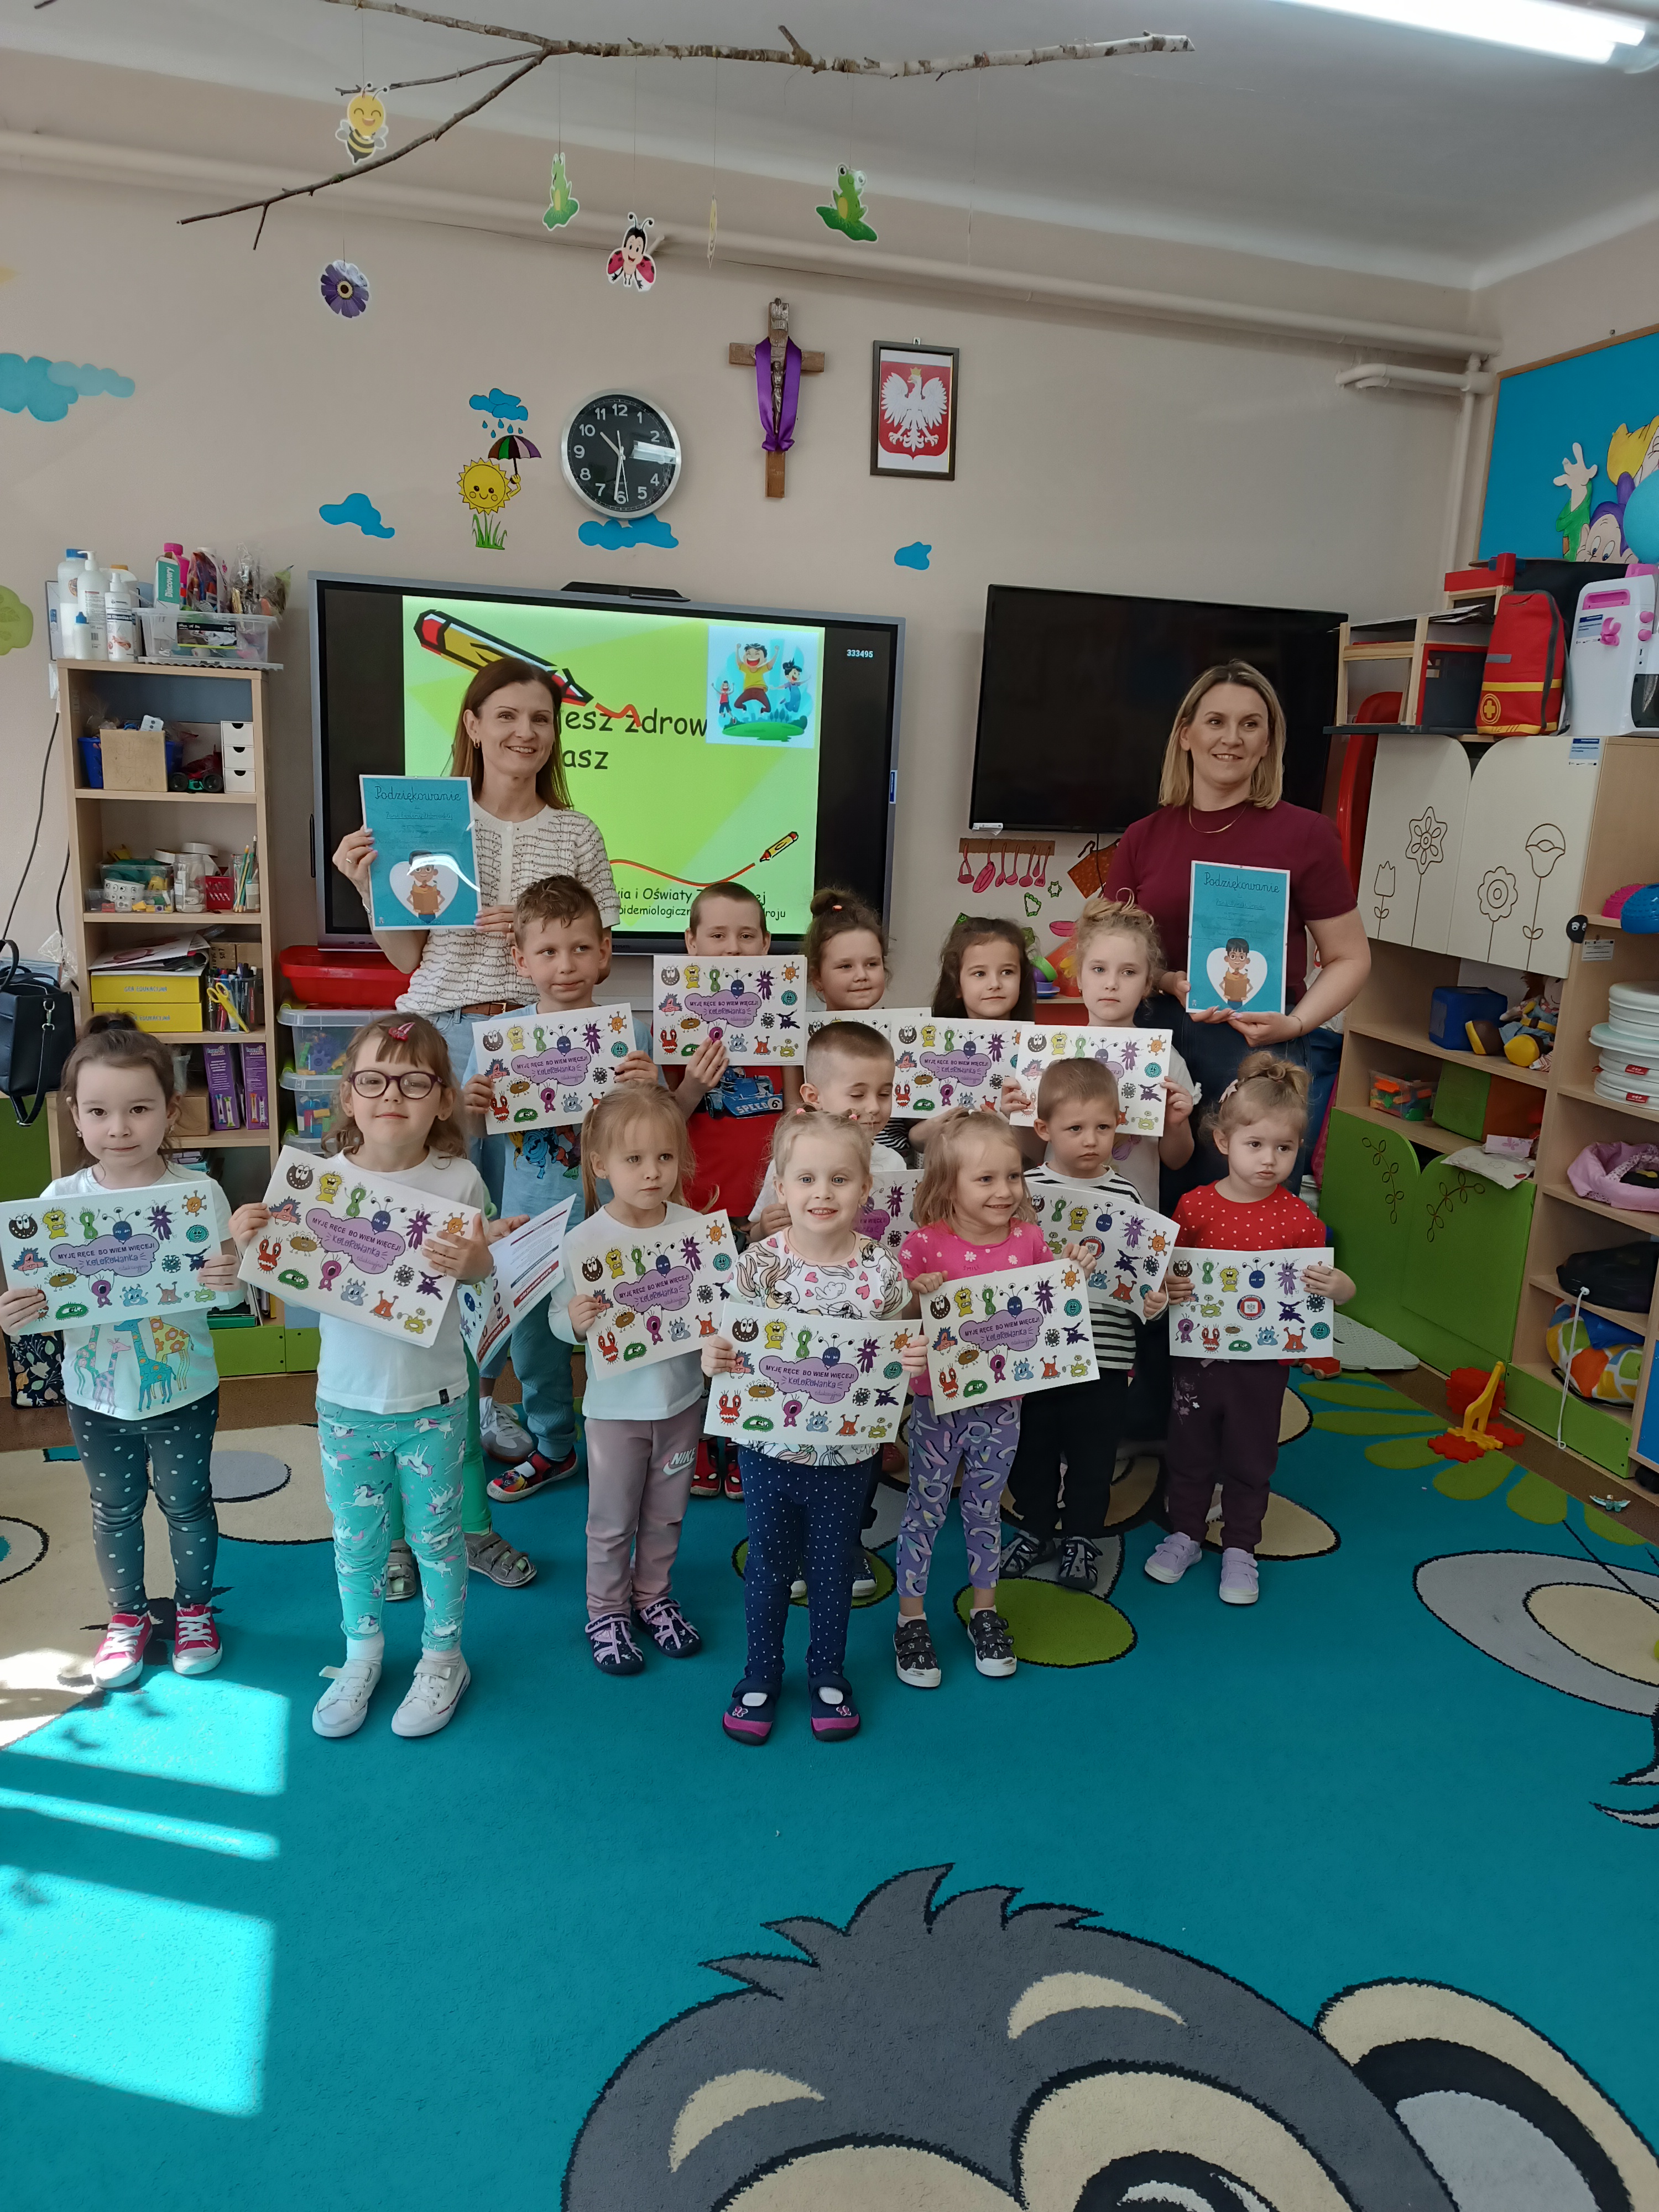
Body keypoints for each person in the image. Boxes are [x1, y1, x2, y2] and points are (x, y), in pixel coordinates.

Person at [331, 655, 620, 1464]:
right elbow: (406, 957)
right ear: (472, 725)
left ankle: (543, 1421)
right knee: (446, 1219)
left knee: (528, 1234)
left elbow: (596, 956)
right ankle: (458, 1409)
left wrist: (538, 938)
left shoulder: (576, 833)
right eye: (507, 716)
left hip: (542, 1048)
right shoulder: (428, 821)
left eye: (541, 719)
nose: (526, 732)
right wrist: (370, 888)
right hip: (444, 1037)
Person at [231, 1016, 511, 1739]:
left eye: (414, 1081)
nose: (393, 1094)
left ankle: (444, 1658)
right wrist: (251, 1242)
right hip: (346, 1403)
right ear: (348, 1097)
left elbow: (482, 1275)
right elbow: (278, 1278)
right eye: (374, 1080)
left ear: (442, 1100)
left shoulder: (459, 1178)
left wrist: (476, 1261)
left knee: (438, 1539)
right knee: (357, 1543)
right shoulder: (318, 1182)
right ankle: (362, 1655)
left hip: (435, 1402)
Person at [0, 1015, 245, 1687]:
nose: (119, 1128)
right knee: (113, 1509)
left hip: (184, 1388)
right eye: (99, 1111)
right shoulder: (58, 1203)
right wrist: (16, 1318)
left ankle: (194, 1610)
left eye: (138, 1109)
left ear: (171, 1110)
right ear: (75, 1116)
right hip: (96, 1394)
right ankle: (127, 1618)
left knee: (188, 1504)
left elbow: (226, 1298)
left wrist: (229, 1279)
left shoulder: (197, 1195)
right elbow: (38, 1308)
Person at [1104, 661, 1368, 1187]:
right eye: (1216, 722)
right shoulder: (1143, 836)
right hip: (1151, 1037)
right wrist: (1167, 981)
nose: (1232, 738)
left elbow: (1351, 958)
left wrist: (1296, 1024)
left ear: (1268, 743)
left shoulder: (1307, 835)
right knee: (1139, 1196)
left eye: (1250, 724)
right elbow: (1109, 951)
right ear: (1186, 735)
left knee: (1245, 1207)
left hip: (1255, 1047)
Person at [702, 1110, 912, 1744]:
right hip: (768, 1450)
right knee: (768, 1565)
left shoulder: (883, 1271)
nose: (823, 1193)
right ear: (781, 1186)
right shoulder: (757, 1264)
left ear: (865, 1188)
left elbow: (897, 1351)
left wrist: (913, 1357)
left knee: (831, 1567)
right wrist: (713, 1356)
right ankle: (760, 1674)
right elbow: (728, 1342)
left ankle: (827, 1672)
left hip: (848, 1456)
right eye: (807, 1178)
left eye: (840, 1179)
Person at [458, 873, 658, 1501]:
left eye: (579, 948)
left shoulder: (631, 1036)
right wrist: (471, 1106)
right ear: (521, 960)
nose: (565, 965)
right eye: (547, 951)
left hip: (615, 1219)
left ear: (604, 951)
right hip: (531, 1223)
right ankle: (554, 1447)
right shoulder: (499, 1041)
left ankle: (627, 1444)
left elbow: (651, 1130)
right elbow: (471, 1132)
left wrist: (649, 1088)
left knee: (620, 1331)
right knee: (536, 1345)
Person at [1145, 1056, 1354, 1607]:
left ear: (1298, 1149)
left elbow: (1329, 1288)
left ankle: (1241, 1545)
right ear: (1223, 1140)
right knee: (1189, 1451)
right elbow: (1169, 1273)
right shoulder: (1195, 1207)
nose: (1269, 1159)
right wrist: (1169, 1285)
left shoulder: (1299, 1219)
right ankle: (1185, 1533)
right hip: (1197, 1363)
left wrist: (1340, 1286)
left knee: (1251, 1457)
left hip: (1262, 1371)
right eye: (1255, 1144)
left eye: (1284, 1148)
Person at [547, 1088, 706, 1676]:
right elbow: (557, 1319)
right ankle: (606, 1611)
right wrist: (573, 1322)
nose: (652, 1172)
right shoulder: (583, 1243)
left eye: (664, 1157)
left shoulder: (695, 1231)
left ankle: (653, 1596)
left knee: (667, 1514)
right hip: (615, 1411)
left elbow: (717, 1305)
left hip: (681, 1403)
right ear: (600, 1165)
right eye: (634, 1160)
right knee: (612, 1521)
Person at [893, 1107, 1051, 1688]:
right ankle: (910, 1619)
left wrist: (1072, 1280)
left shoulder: (1030, 1240)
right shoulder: (922, 1246)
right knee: (925, 1509)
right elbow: (895, 1327)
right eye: (985, 1178)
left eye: (1013, 1176)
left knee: (985, 1509)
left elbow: (1049, 1313)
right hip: (937, 1405)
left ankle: (985, 1611)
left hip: (1003, 1406)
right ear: (947, 1184)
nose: (1005, 1190)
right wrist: (916, 1295)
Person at [751, 1018, 906, 1599]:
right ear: (814, 1096)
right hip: (798, 1335)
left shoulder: (894, 1167)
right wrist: (761, 1227)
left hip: (864, 1333)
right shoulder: (792, 1158)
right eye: (858, 1093)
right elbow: (759, 1240)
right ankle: (790, 1546)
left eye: (884, 1093)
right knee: (796, 1443)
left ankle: (849, 1541)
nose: (873, 1108)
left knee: (857, 1442)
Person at [1000, 1058, 1168, 1593]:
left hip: (1106, 1355)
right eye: (1074, 1128)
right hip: (1035, 1352)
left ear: (1119, 1124)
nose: (1091, 1140)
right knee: (1031, 1448)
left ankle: (1080, 1537)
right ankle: (1035, 1528)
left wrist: (1155, 1301)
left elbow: (1143, 1288)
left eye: (1102, 1126)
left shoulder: (1129, 1199)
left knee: (1094, 1455)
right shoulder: (1022, 1192)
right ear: (1043, 1129)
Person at [670, 878, 782, 1503]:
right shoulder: (671, 1022)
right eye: (717, 935)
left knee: (754, 1331)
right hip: (695, 1213)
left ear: (766, 945)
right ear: (692, 943)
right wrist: (691, 1085)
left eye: (746, 936)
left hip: (768, 1215)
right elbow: (659, 1124)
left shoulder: (785, 1024)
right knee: (698, 1334)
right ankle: (696, 1442)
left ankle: (741, 1442)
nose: (733, 949)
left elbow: (799, 1113)